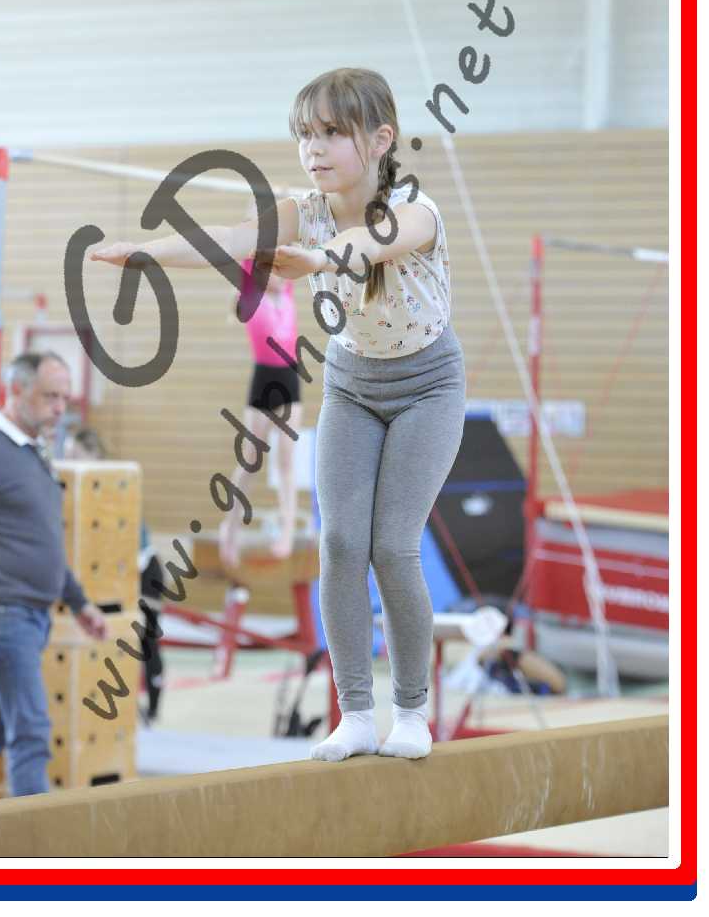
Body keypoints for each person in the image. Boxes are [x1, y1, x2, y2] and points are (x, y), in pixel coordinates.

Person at [91, 67, 465, 764]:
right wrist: (147, 254)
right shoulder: (305, 209)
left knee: (392, 546)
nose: (312, 149)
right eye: (304, 135)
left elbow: (367, 246)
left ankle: (412, 712)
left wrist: (317, 258)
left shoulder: (416, 209)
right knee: (341, 544)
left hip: (427, 389)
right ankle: (356, 714)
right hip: (353, 386)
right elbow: (228, 237)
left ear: (381, 139)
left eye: (331, 133)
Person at [0, 352, 107, 802]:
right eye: (49, 396)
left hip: (32, 616)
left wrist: (79, 603)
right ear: (15, 390)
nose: (59, 408)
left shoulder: (34, 454)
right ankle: (33, 845)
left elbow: (44, 545)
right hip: (2, 615)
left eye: (64, 398)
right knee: (32, 732)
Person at [63, 425, 166, 723]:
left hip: (142, 570)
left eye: (76, 455)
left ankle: (153, 709)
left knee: (146, 639)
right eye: (67, 455)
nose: (70, 461)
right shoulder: (78, 490)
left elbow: (128, 541)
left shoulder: (113, 486)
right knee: (107, 637)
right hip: (112, 573)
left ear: (94, 456)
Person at [218, 245, 303, 567]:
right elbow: (247, 255)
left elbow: (293, 249)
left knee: (286, 461)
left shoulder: (288, 293)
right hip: (263, 380)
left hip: (290, 379)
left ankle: (287, 531)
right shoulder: (254, 297)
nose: (280, 276)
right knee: (250, 461)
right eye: (272, 272)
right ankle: (230, 527)